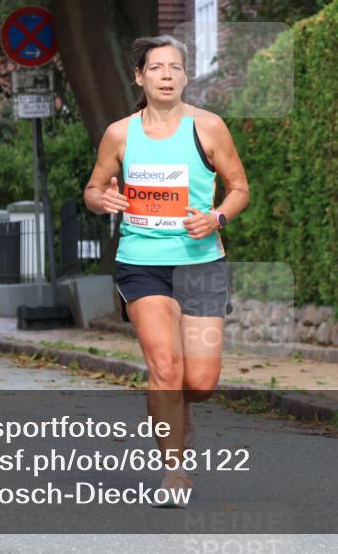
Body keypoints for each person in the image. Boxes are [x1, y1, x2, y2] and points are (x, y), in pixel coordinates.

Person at [83, 35, 249, 505]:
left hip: (201, 264)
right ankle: (173, 472)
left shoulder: (210, 127)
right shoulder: (120, 133)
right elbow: (93, 189)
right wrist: (104, 198)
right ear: (140, 76)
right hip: (141, 264)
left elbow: (239, 188)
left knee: (200, 382)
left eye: (175, 67)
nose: (167, 75)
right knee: (165, 367)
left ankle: (180, 410)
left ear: (185, 76)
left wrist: (216, 217)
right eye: (156, 68)